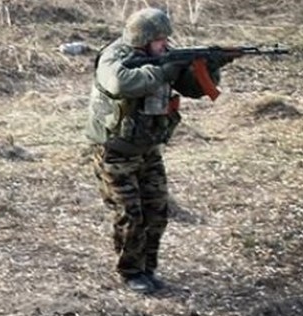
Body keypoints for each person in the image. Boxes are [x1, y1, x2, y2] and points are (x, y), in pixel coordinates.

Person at [86, 8, 228, 294]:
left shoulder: (160, 54)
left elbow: (194, 89)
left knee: (157, 210)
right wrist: (164, 70)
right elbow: (120, 83)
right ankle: (130, 272)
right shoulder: (115, 56)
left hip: (148, 149)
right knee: (130, 214)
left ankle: (148, 269)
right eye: (160, 39)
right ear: (143, 39)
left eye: (166, 39)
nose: (166, 44)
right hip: (115, 151)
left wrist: (211, 66)